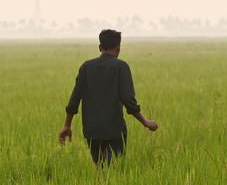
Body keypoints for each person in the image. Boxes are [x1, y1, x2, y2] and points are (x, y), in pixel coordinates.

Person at [59, 29, 159, 164]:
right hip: (114, 130)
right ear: (118, 49)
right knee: (114, 170)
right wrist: (145, 122)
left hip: (92, 130)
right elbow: (129, 101)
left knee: (99, 168)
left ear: (100, 48)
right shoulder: (121, 67)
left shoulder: (86, 67)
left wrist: (67, 125)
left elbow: (74, 100)